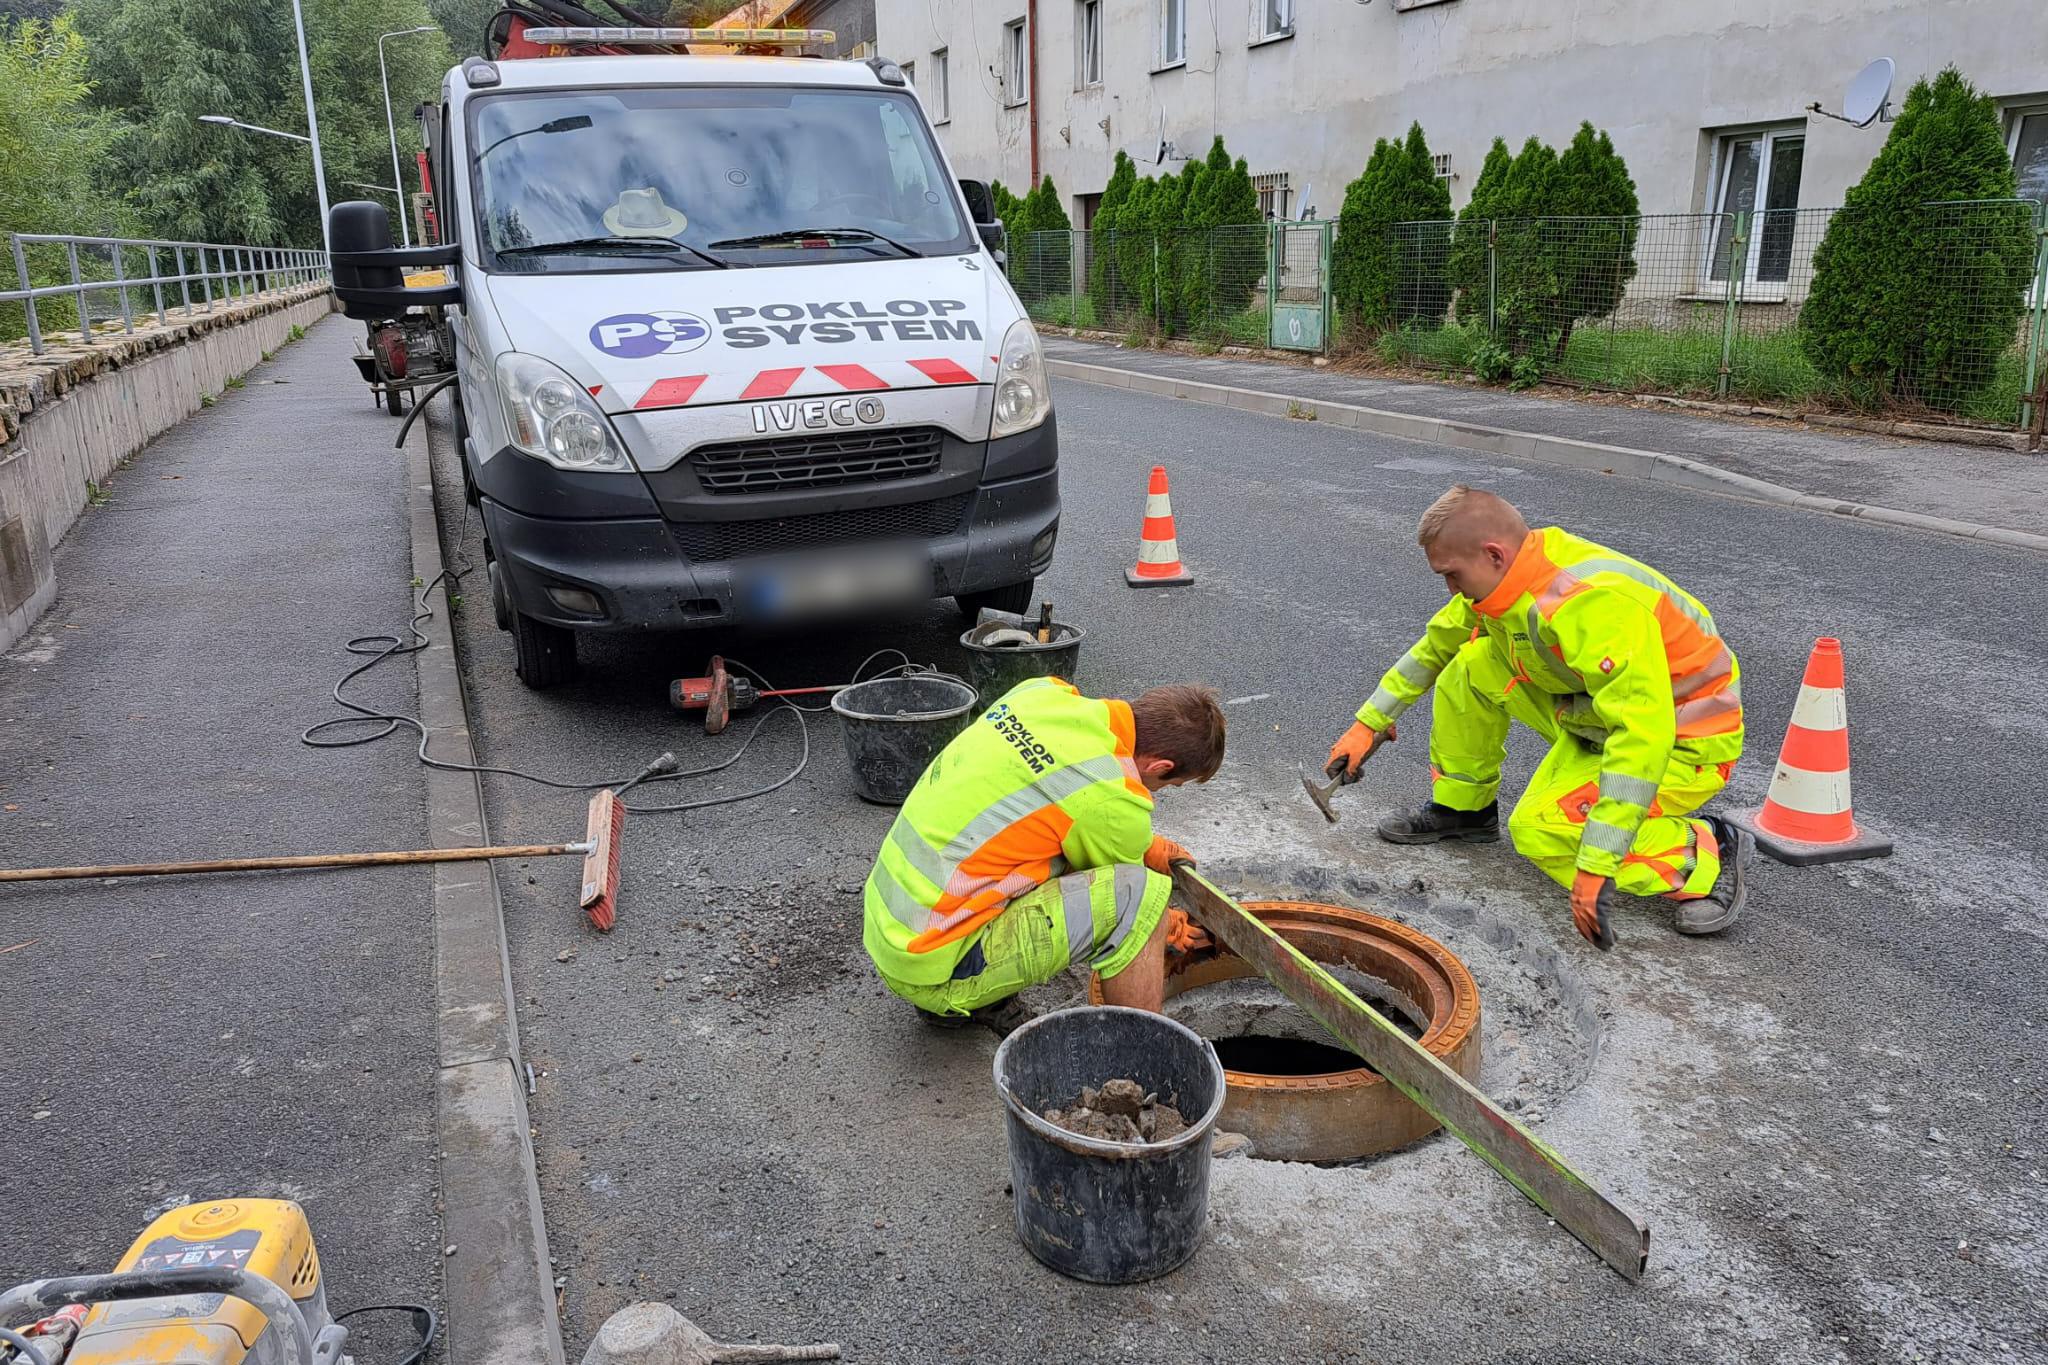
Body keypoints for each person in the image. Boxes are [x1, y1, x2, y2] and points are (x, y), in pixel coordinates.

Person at [1326, 486, 1751, 949]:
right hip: (1593, 713)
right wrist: (1367, 725)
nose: (1451, 589)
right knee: (1468, 666)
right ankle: (1464, 811)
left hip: (1684, 740)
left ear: (1492, 554)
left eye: (1452, 575)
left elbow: (1640, 738)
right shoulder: (1509, 577)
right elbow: (1434, 649)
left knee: (1538, 829)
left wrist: (1596, 862)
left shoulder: (1590, 604)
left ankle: (1704, 852)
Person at [863, 676, 1225, 1026]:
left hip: (891, 931)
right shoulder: (1112, 795)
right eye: (1171, 784)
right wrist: (1171, 929)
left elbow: (1065, 805)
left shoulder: (1042, 694)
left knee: (1045, 840)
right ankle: (1142, 1051)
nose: (1162, 790)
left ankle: (976, 992)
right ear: (1160, 767)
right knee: (1143, 898)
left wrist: (1148, 847)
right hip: (934, 967)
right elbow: (1123, 889)